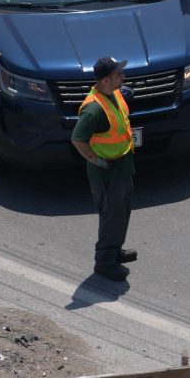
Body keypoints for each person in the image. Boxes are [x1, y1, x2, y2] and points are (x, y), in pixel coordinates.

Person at [69, 56, 136, 281]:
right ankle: (105, 261)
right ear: (106, 80)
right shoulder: (94, 110)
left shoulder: (113, 93)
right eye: (119, 74)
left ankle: (115, 250)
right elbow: (78, 139)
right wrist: (95, 160)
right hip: (107, 170)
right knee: (112, 214)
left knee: (122, 211)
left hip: (122, 165)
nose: (123, 77)